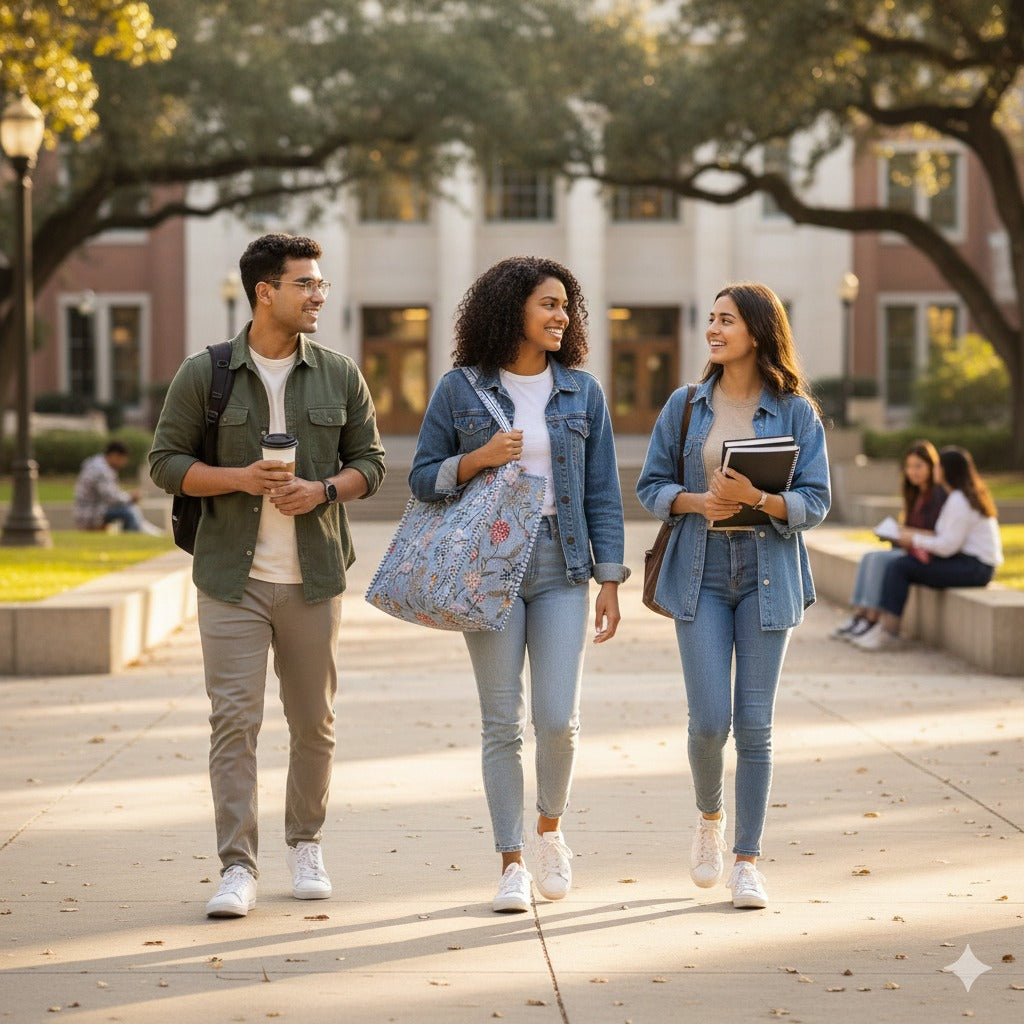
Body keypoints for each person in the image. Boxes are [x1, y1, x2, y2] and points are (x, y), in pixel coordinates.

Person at [149, 233, 385, 918]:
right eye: (306, 284)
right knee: (235, 723)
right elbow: (166, 462)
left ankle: (305, 843)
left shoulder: (339, 373)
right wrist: (241, 480)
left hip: (312, 578)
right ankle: (236, 865)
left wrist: (323, 492)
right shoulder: (207, 373)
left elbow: (368, 462)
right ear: (265, 292)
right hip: (232, 578)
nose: (318, 295)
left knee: (314, 722)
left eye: (321, 284)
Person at [409, 256, 629, 914]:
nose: (563, 316)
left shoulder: (581, 393)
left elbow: (602, 494)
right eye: (550, 304)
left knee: (558, 721)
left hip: (563, 565)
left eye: (567, 306)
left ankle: (549, 831)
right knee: (501, 723)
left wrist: (611, 577)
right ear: (512, 311)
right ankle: (509, 863)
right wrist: (475, 459)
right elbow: (423, 476)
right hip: (489, 567)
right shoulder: (460, 390)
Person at [637, 282, 830, 910]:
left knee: (754, 726)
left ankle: (747, 860)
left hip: (769, 572)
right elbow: (652, 485)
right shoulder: (687, 405)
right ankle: (709, 819)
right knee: (709, 722)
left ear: (757, 330)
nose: (714, 330)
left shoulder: (796, 411)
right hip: (701, 571)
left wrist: (761, 501)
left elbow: (817, 499)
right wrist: (699, 500)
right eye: (711, 320)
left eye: (727, 320)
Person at [853, 445, 1002, 651]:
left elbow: (947, 546)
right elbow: (946, 541)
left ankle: (889, 632)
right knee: (900, 564)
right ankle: (883, 627)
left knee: (900, 567)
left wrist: (913, 541)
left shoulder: (959, 500)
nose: (935, 470)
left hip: (974, 568)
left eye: (938, 466)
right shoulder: (961, 496)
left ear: (947, 471)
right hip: (971, 564)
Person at [831, 440, 948, 641]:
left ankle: (872, 619)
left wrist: (905, 533)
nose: (913, 472)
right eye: (909, 466)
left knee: (878, 561)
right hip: (910, 549)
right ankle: (859, 615)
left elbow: (937, 534)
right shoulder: (914, 494)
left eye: (918, 466)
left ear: (931, 466)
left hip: (925, 553)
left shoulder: (939, 496)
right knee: (869, 556)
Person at [73, 440, 162, 534]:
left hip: (91, 509)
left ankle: (144, 532)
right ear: (115, 456)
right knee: (129, 512)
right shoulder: (101, 470)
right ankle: (132, 539)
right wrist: (131, 497)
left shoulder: (97, 463)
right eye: (123, 459)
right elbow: (112, 498)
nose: (124, 463)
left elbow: (110, 493)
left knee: (130, 509)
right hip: (91, 513)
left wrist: (128, 496)